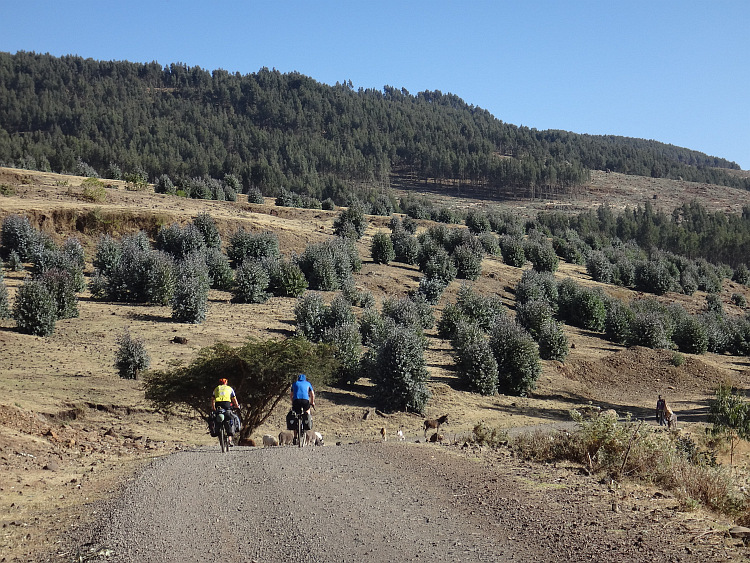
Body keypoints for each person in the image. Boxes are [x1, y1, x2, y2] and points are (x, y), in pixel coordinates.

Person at [212, 378, 241, 446]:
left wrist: (213, 408)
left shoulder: (216, 389)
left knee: (216, 418)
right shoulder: (229, 388)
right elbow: (234, 398)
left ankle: (218, 432)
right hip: (227, 405)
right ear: (226, 383)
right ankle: (229, 439)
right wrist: (237, 406)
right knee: (229, 418)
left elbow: (212, 399)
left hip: (218, 406)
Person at [290, 374, 315, 443]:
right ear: (305, 379)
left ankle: (295, 437)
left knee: (295, 416)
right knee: (307, 411)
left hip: (296, 401)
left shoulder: (294, 384)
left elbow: (291, 395)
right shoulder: (308, 384)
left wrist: (293, 402)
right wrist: (312, 402)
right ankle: (307, 419)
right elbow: (312, 394)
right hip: (305, 401)